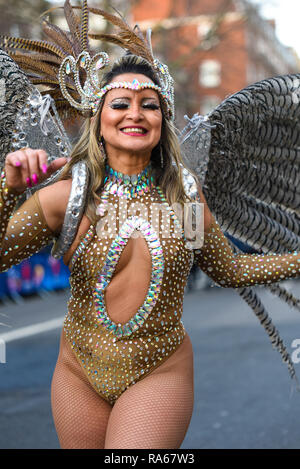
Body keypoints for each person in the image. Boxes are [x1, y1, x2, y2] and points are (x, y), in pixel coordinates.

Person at [1, 1, 300, 449]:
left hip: (159, 369)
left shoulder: (184, 195)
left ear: (163, 121)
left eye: (150, 105)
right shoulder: (68, 195)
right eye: (120, 103)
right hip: (78, 372)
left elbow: (229, 270)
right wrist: (7, 190)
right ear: (98, 120)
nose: (135, 114)